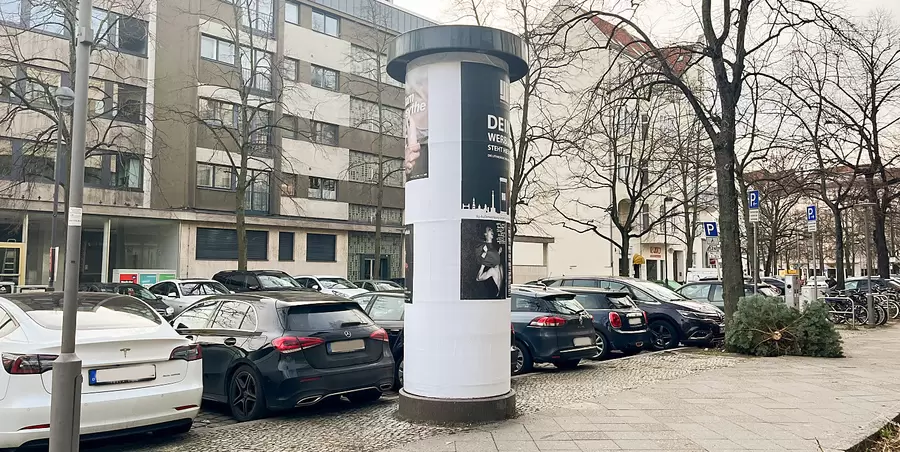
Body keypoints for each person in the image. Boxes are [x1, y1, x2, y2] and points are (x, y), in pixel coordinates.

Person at [475, 226, 504, 297]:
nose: (492, 231)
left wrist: (498, 254)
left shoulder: (500, 267)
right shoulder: (482, 246)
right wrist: (484, 260)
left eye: (492, 229)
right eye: (489, 230)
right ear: (485, 234)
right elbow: (478, 278)